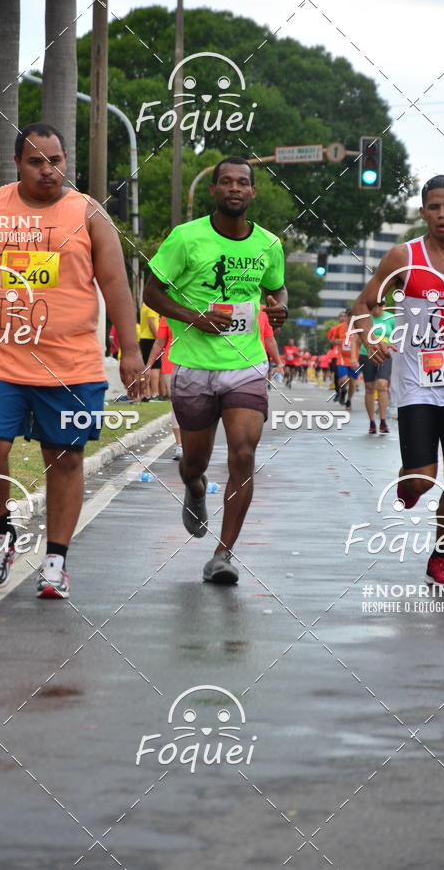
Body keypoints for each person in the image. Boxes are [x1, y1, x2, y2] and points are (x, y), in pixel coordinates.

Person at [0, 122, 144, 598]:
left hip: (71, 363)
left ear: (66, 162)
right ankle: (1, 531)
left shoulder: (88, 213)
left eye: (55, 161)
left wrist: (131, 352)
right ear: (17, 164)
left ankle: (55, 560)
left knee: (65, 458)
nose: (47, 170)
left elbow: (115, 284)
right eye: (36, 162)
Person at [352, 155, 444, 587]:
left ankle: (441, 556)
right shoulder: (404, 256)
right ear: (423, 213)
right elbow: (364, 304)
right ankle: (409, 486)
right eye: (434, 207)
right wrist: (369, 337)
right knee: (422, 481)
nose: (442, 214)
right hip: (416, 383)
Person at [143, 155, 287, 584]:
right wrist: (195, 318)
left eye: (243, 182)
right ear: (214, 189)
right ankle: (194, 486)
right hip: (193, 366)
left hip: (245, 364)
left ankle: (223, 555)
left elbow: (277, 288)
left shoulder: (269, 244)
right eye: (226, 182)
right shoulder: (186, 238)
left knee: (243, 453)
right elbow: (152, 292)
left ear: (253, 192)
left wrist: (279, 308)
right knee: (194, 462)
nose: (234, 188)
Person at [147, 316, 182, 459]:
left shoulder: (200, 309)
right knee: (176, 405)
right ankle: (179, 444)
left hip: (198, 365)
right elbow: (159, 343)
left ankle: (193, 443)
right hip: (171, 365)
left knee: (197, 405)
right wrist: (148, 366)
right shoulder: (167, 315)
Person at [358, 302, 395, 434]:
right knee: (369, 388)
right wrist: (353, 358)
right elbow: (356, 339)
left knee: (382, 385)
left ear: (384, 306)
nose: (378, 307)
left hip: (385, 355)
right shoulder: (366, 319)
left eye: (381, 304)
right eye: (375, 305)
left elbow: (400, 335)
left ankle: (383, 421)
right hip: (366, 354)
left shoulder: (391, 318)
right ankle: (372, 422)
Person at [328, 309, 359, 407]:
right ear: (346, 316)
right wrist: (337, 341)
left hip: (354, 359)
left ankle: (349, 400)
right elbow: (332, 340)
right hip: (342, 358)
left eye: (352, 316)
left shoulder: (358, 328)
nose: (350, 318)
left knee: (353, 382)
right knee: (343, 379)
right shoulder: (339, 327)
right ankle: (343, 391)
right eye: (348, 315)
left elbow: (363, 341)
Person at [139, 301, 162, 399]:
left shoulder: (144, 306)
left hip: (144, 338)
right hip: (151, 338)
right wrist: (158, 338)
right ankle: (155, 393)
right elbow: (151, 322)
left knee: (147, 366)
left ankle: (146, 393)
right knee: (155, 366)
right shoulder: (152, 306)